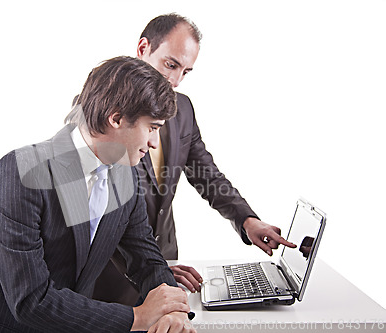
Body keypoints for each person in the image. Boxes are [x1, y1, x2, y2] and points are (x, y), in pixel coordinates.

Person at [0, 56, 195, 333]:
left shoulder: (125, 175)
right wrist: (138, 317)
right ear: (116, 118)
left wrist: (171, 310)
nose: (154, 143)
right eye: (152, 127)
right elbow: (31, 300)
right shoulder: (21, 172)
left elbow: (146, 258)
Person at [93, 14, 297, 306]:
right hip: (112, 279)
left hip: (165, 260)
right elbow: (99, 207)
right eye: (171, 64)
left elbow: (206, 174)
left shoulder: (183, 108)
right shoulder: (100, 105)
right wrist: (149, 271)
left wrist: (247, 220)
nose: (175, 80)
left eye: (185, 71)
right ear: (143, 49)